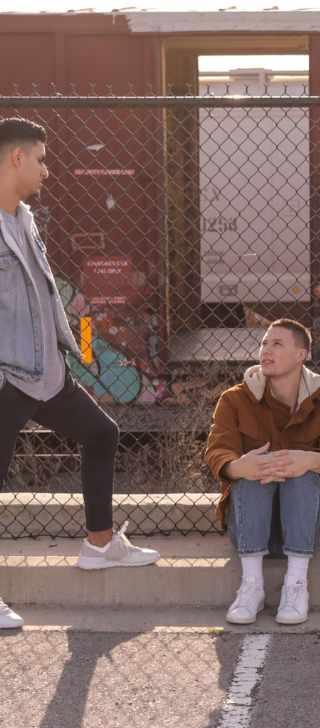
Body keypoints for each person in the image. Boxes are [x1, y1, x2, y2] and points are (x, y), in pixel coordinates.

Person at [0, 117, 159, 630]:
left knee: (101, 433)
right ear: (16, 158)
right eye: (41, 159)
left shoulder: (23, 218)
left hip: (43, 368)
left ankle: (99, 544)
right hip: (7, 375)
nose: (47, 170)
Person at [205, 319, 320, 625]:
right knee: (253, 472)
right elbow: (217, 449)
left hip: (306, 529)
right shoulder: (234, 399)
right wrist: (237, 466)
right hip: (247, 527)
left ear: (301, 354)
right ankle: (251, 587)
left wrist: (311, 460)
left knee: (302, 474)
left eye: (277, 344)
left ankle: (296, 585)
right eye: (264, 343)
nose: (266, 350)